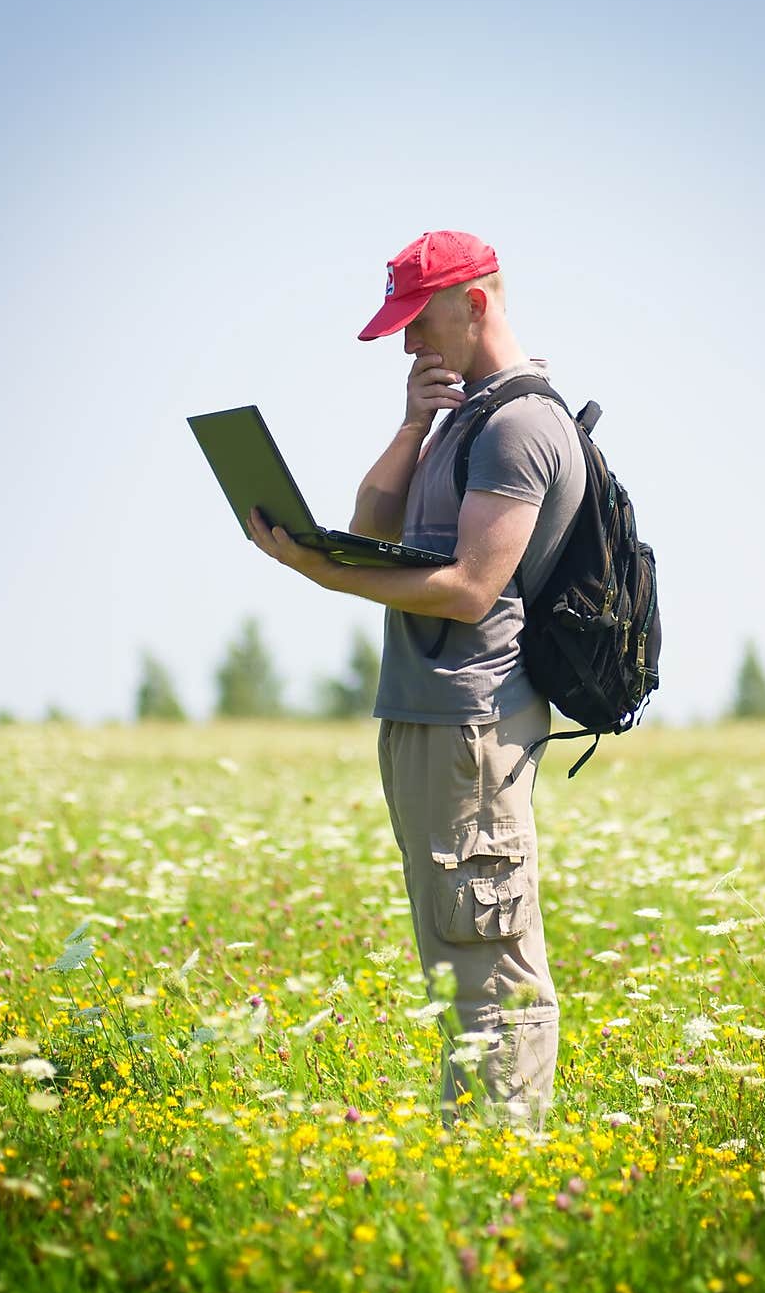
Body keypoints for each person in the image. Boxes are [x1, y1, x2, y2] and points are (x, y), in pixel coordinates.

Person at [247, 230, 586, 1130]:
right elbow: (371, 522)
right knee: (456, 952)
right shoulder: (464, 417)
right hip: (428, 716)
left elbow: (473, 589)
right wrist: (412, 426)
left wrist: (323, 574)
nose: (407, 345)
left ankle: (500, 1173)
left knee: (491, 961)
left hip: (474, 722)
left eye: (418, 323)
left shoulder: (519, 425)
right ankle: (470, 1155)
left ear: (474, 303)